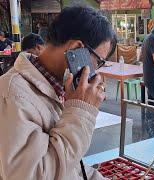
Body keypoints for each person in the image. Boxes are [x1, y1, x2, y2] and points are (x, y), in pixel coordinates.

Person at [0, 6, 116, 179]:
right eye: (98, 61)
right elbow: (32, 175)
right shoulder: (13, 95)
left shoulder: (56, 85)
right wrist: (81, 111)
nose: (96, 72)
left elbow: (71, 165)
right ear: (76, 49)